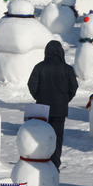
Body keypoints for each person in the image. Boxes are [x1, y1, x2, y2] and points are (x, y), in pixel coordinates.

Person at [27, 40, 79, 169]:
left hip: (42, 107)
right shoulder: (67, 68)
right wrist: (65, 99)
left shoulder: (39, 67)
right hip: (60, 109)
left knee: (41, 135)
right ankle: (55, 163)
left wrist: (38, 97)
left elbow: (31, 84)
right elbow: (73, 87)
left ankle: (41, 160)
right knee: (57, 137)